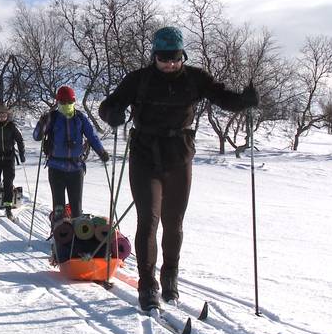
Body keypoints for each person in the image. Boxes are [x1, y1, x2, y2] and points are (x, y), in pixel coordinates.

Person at [98, 26, 259, 311]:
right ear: (154, 56)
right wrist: (113, 113)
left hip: (179, 155)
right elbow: (110, 105)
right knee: (148, 219)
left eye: (175, 58)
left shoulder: (195, 78)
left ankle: (169, 276)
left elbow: (223, 97)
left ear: (183, 54)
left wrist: (243, 101)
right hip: (145, 155)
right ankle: (147, 285)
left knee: (174, 222)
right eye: (164, 58)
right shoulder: (139, 80)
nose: (170, 64)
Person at [33, 86, 110, 223]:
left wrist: (101, 152)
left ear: (74, 101)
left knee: (76, 207)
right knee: (59, 207)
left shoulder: (80, 118)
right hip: (56, 167)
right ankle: (59, 236)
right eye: (63, 102)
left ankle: (77, 238)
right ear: (58, 102)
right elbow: (37, 136)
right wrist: (41, 123)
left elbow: (92, 137)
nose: (67, 105)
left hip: (76, 167)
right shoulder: (52, 117)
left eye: (70, 101)